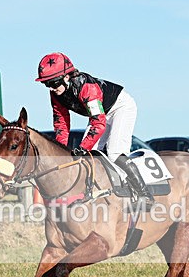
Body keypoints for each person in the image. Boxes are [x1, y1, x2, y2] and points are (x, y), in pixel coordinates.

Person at [35, 52, 152, 206]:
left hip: (120, 108)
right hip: (100, 114)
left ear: (66, 77)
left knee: (115, 152)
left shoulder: (87, 87)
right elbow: (61, 124)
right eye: (47, 84)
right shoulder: (56, 95)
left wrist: (83, 147)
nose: (51, 88)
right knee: (89, 157)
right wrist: (61, 151)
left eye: (54, 83)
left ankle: (144, 194)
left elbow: (99, 123)